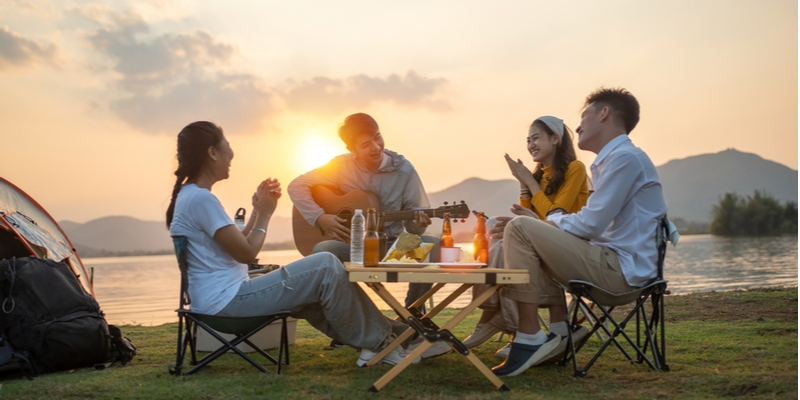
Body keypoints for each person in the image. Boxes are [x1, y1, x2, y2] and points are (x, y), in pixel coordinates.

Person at [166, 121, 418, 367]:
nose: (231, 153)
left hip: (217, 303)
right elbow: (246, 253)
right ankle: (384, 343)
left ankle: (396, 337)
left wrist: (256, 211)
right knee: (325, 265)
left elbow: (236, 245)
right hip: (228, 306)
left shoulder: (190, 196)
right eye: (227, 145)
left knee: (314, 293)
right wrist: (264, 214)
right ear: (212, 152)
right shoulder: (202, 199)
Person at [491, 88, 668, 377]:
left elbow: (589, 225)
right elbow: (588, 224)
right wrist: (543, 225)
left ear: (604, 113)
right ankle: (553, 331)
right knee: (521, 230)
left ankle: (530, 337)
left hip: (620, 274)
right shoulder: (614, 161)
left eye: (584, 115)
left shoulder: (625, 159)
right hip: (612, 263)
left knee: (521, 227)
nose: (577, 126)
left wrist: (542, 225)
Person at [461, 116, 590, 362]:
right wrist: (525, 185)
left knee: (507, 238)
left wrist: (528, 182)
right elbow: (525, 215)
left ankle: (500, 317)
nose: (530, 144)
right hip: (540, 240)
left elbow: (556, 216)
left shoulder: (576, 169)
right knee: (494, 228)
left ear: (555, 139)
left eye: (536, 138)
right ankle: (513, 319)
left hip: (571, 242)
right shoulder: (539, 176)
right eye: (528, 140)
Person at [288, 113, 439, 309]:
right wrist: (320, 217)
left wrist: (418, 224)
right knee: (323, 251)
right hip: (354, 248)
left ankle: (413, 314)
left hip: (390, 247)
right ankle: (353, 316)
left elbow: (414, 226)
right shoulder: (340, 166)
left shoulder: (404, 170)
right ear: (352, 150)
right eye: (365, 145)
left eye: (377, 137)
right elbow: (296, 186)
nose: (375, 147)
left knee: (432, 245)